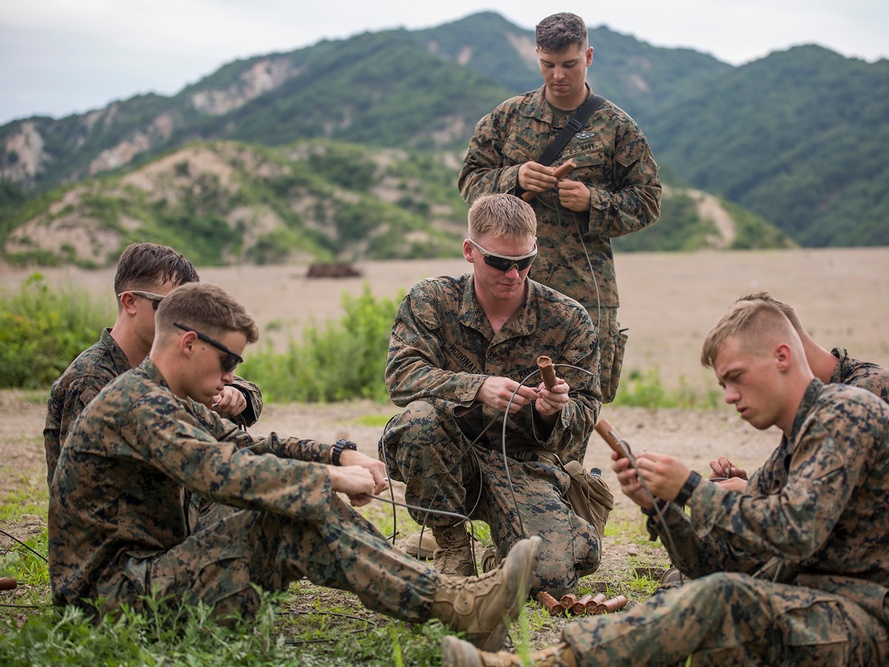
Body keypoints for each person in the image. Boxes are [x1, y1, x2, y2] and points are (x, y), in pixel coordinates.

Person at [443, 298, 889, 666]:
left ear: (781, 357)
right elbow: (712, 565)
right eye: (722, 384)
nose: (729, 396)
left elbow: (795, 530)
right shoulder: (795, 442)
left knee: (724, 603)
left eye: (735, 377)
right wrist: (659, 507)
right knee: (712, 605)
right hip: (830, 607)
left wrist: (689, 487)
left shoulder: (848, 412)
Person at [47, 282, 541, 652]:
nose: (231, 376)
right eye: (228, 361)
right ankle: (456, 607)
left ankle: (456, 602)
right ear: (189, 342)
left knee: (300, 499)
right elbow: (219, 471)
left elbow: (254, 449)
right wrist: (327, 479)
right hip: (111, 602)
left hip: (144, 578)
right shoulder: (138, 403)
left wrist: (337, 455)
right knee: (288, 516)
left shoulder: (162, 396)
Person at [380, 193, 602, 597]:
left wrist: (554, 413)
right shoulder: (432, 300)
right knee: (418, 421)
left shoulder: (568, 318)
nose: (513, 274)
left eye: (524, 261)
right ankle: (450, 543)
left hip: (525, 465)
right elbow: (401, 375)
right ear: (470, 251)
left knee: (548, 578)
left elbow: (588, 405)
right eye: (499, 262)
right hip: (446, 455)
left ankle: (509, 546)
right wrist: (476, 387)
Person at [702, 291, 889, 600]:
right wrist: (750, 487)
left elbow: (812, 517)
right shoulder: (817, 406)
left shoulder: (868, 395)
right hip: (881, 556)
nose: (731, 394)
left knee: (774, 564)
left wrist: (742, 496)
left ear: (781, 351)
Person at [458, 12, 661, 403]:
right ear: (536, 56)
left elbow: (649, 200)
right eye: (547, 65)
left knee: (576, 399)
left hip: (583, 287)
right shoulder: (508, 118)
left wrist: (593, 202)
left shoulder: (617, 127)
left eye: (569, 64)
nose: (558, 76)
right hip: (506, 281)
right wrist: (513, 178)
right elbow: (470, 181)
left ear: (588, 55)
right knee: (505, 396)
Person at [44, 242, 263, 488]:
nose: (184, 321)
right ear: (129, 303)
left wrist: (237, 396)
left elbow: (247, 391)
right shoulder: (91, 379)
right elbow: (83, 488)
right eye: (168, 306)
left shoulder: (162, 361)